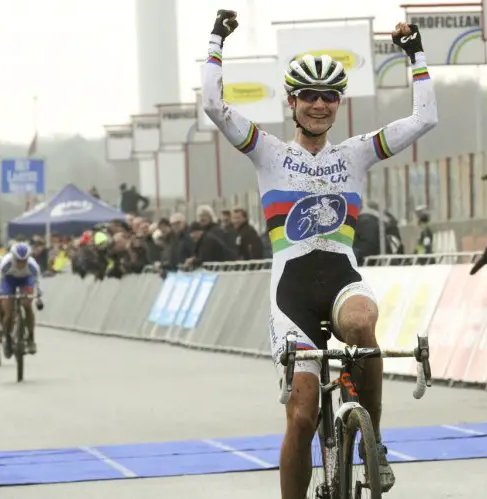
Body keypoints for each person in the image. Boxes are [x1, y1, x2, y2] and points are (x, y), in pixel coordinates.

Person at [202, 10, 437, 498]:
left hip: (340, 276)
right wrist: (217, 40)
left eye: (328, 96)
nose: (318, 105)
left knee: (362, 324)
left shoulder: (355, 153)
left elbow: (425, 118)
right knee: (303, 416)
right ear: (291, 101)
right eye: (308, 95)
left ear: (338, 103)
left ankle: (375, 441)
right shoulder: (266, 151)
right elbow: (213, 104)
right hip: (291, 294)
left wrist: (415, 53)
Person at [0, 243, 44, 357]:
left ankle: (30, 338)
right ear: (13, 258)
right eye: (18, 260)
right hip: (9, 281)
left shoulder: (32, 265)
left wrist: (39, 297)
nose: (21, 263)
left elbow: (38, 282)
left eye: (24, 260)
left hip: (26, 280)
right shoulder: (6, 263)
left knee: (27, 305)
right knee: (8, 313)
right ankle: (7, 338)